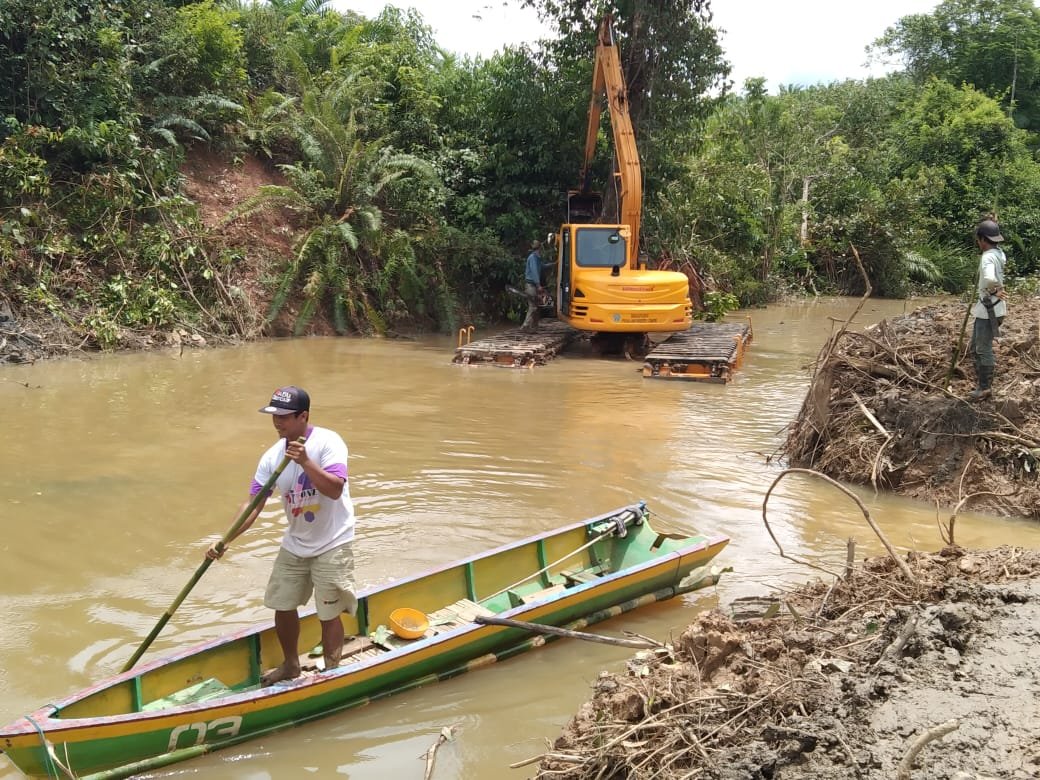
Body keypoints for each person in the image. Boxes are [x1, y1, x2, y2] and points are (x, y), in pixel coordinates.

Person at [207, 385, 357, 684]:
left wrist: (305, 461)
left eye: (285, 417)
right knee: (282, 603)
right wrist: (225, 540)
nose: (277, 422)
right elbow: (254, 502)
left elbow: (335, 488)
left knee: (328, 612)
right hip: (297, 542)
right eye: (274, 416)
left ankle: (331, 672)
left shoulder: (328, 442)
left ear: (303, 416)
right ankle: (291, 665)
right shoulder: (272, 457)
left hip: (333, 540)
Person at [968, 218, 1008, 400]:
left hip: (988, 310)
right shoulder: (999, 253)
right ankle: (982, 384)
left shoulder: (987, 257)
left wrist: (995, 288)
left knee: (982, 349)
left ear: (983, 239)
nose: (978, 243)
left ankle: (984, 388)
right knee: (975, 348)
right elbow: (1000, 257)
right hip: (994, 309)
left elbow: (990, 277)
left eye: (979, 239)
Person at [521, 239, 547, 333]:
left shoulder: (537, 258)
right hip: (531, 285)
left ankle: (533, 327)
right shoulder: (533, 258)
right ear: (539, 248)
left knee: (536, 306)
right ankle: (525, 325)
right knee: (533, 306)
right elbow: (535, 272)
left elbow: (542, 266)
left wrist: (554, 264)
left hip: (533, 285)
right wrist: (538, 285)